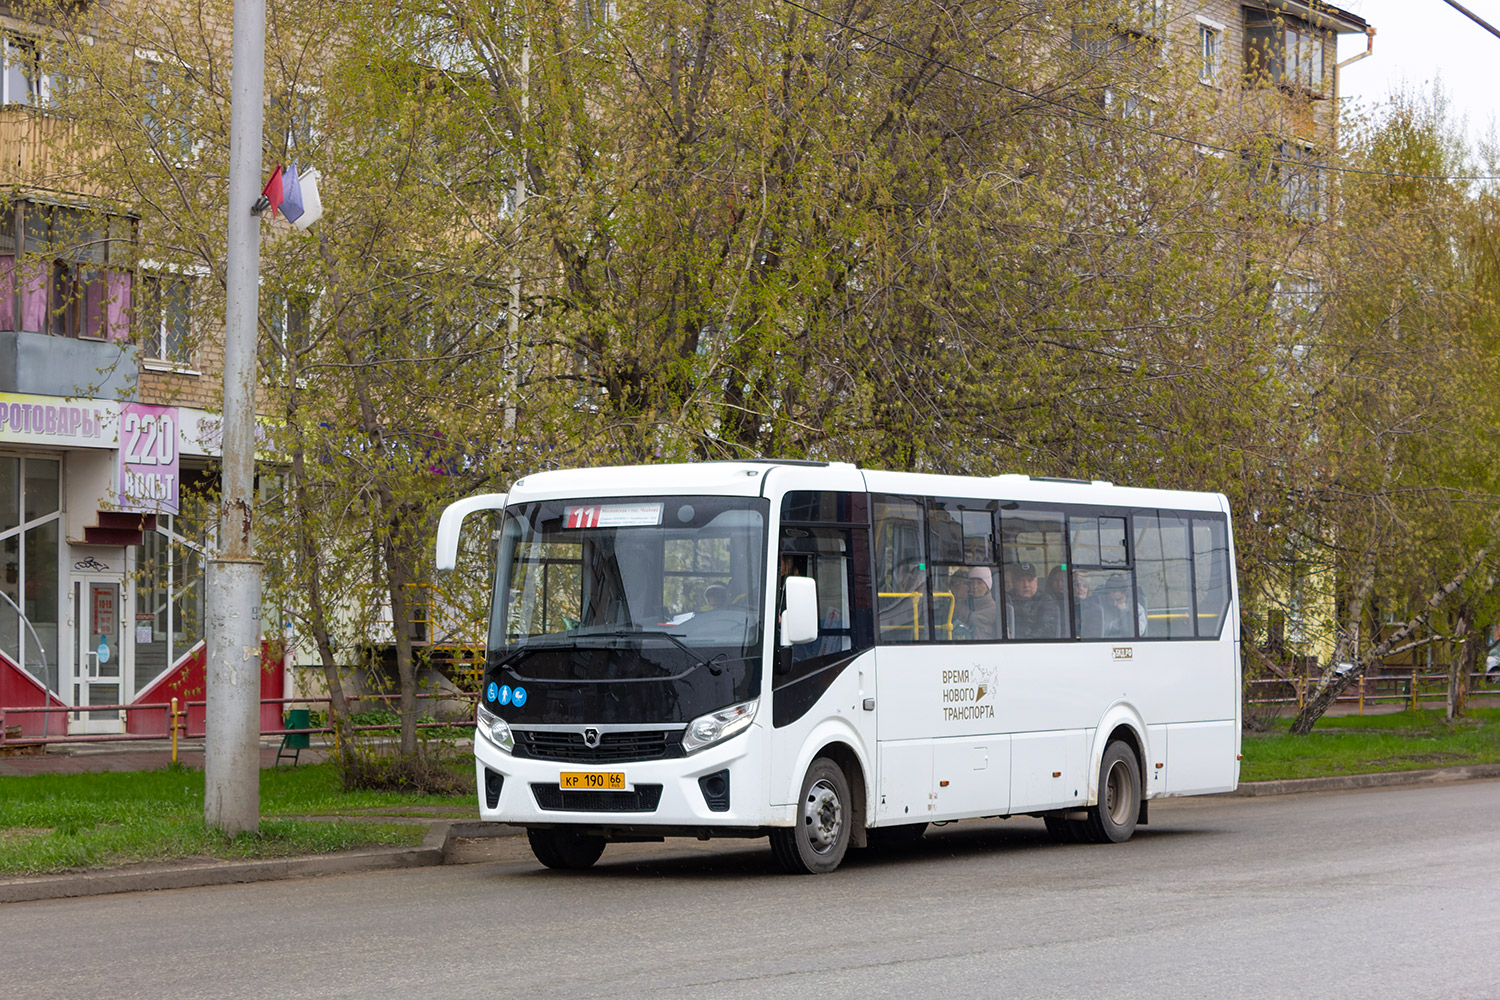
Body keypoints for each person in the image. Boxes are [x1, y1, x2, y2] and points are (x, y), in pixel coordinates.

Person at [1007, 562, 1059, 639]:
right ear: (1014, 583)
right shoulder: (1007, 599)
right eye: (1021, 580)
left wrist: (1025, 641)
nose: (1026, 585)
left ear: (1036, 581)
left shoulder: (1046, 601)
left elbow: (1045, 628)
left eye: (1030, 580)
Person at [1097, 573, 1145, 638]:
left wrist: (1124, 612)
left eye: (1118, 600)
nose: (1114, 604)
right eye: (1111, 600)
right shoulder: (1099, 608)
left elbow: (1134, 634)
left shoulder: (1136, 609)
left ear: (1125, 594)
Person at [958, 566, 997, 640]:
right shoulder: (960, 606)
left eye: (980, 583)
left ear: (988, 586)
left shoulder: (997, 610)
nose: (975, 586)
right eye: (971, 583)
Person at [1073, 571, 1104, 638]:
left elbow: (1093, 635)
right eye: (1077, 585)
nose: (1081, 589)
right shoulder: (1064, 606)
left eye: (1085, 586)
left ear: (1088, 589)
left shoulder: (1094, 609)